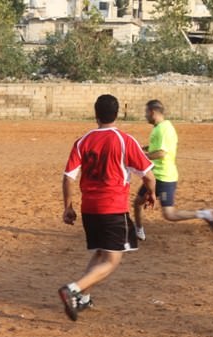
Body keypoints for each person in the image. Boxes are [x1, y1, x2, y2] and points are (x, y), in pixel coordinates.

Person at [59, 94, 157, 322]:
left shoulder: (83, 141)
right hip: (113, 208)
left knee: (101, 252)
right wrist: (151, 193)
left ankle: (82, 298)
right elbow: (149, 177)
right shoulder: (125, 140)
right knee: (112, 260)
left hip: (89, 209)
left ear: (96, 114)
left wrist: (68, 207)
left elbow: (68, 178)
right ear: (118, 113)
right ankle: (72, 290)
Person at [133, 99, 213, 240]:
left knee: (169, 214)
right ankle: (138, 231)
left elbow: (161, 153)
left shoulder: (164, 129)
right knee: (137, 202)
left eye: (146, 112)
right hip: (155, 175)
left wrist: (142, 156)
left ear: (152, 112)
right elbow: (158, 146)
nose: (145, 115)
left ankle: (204, 214)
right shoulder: (160, 127)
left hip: (164, 177)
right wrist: (145, 148)